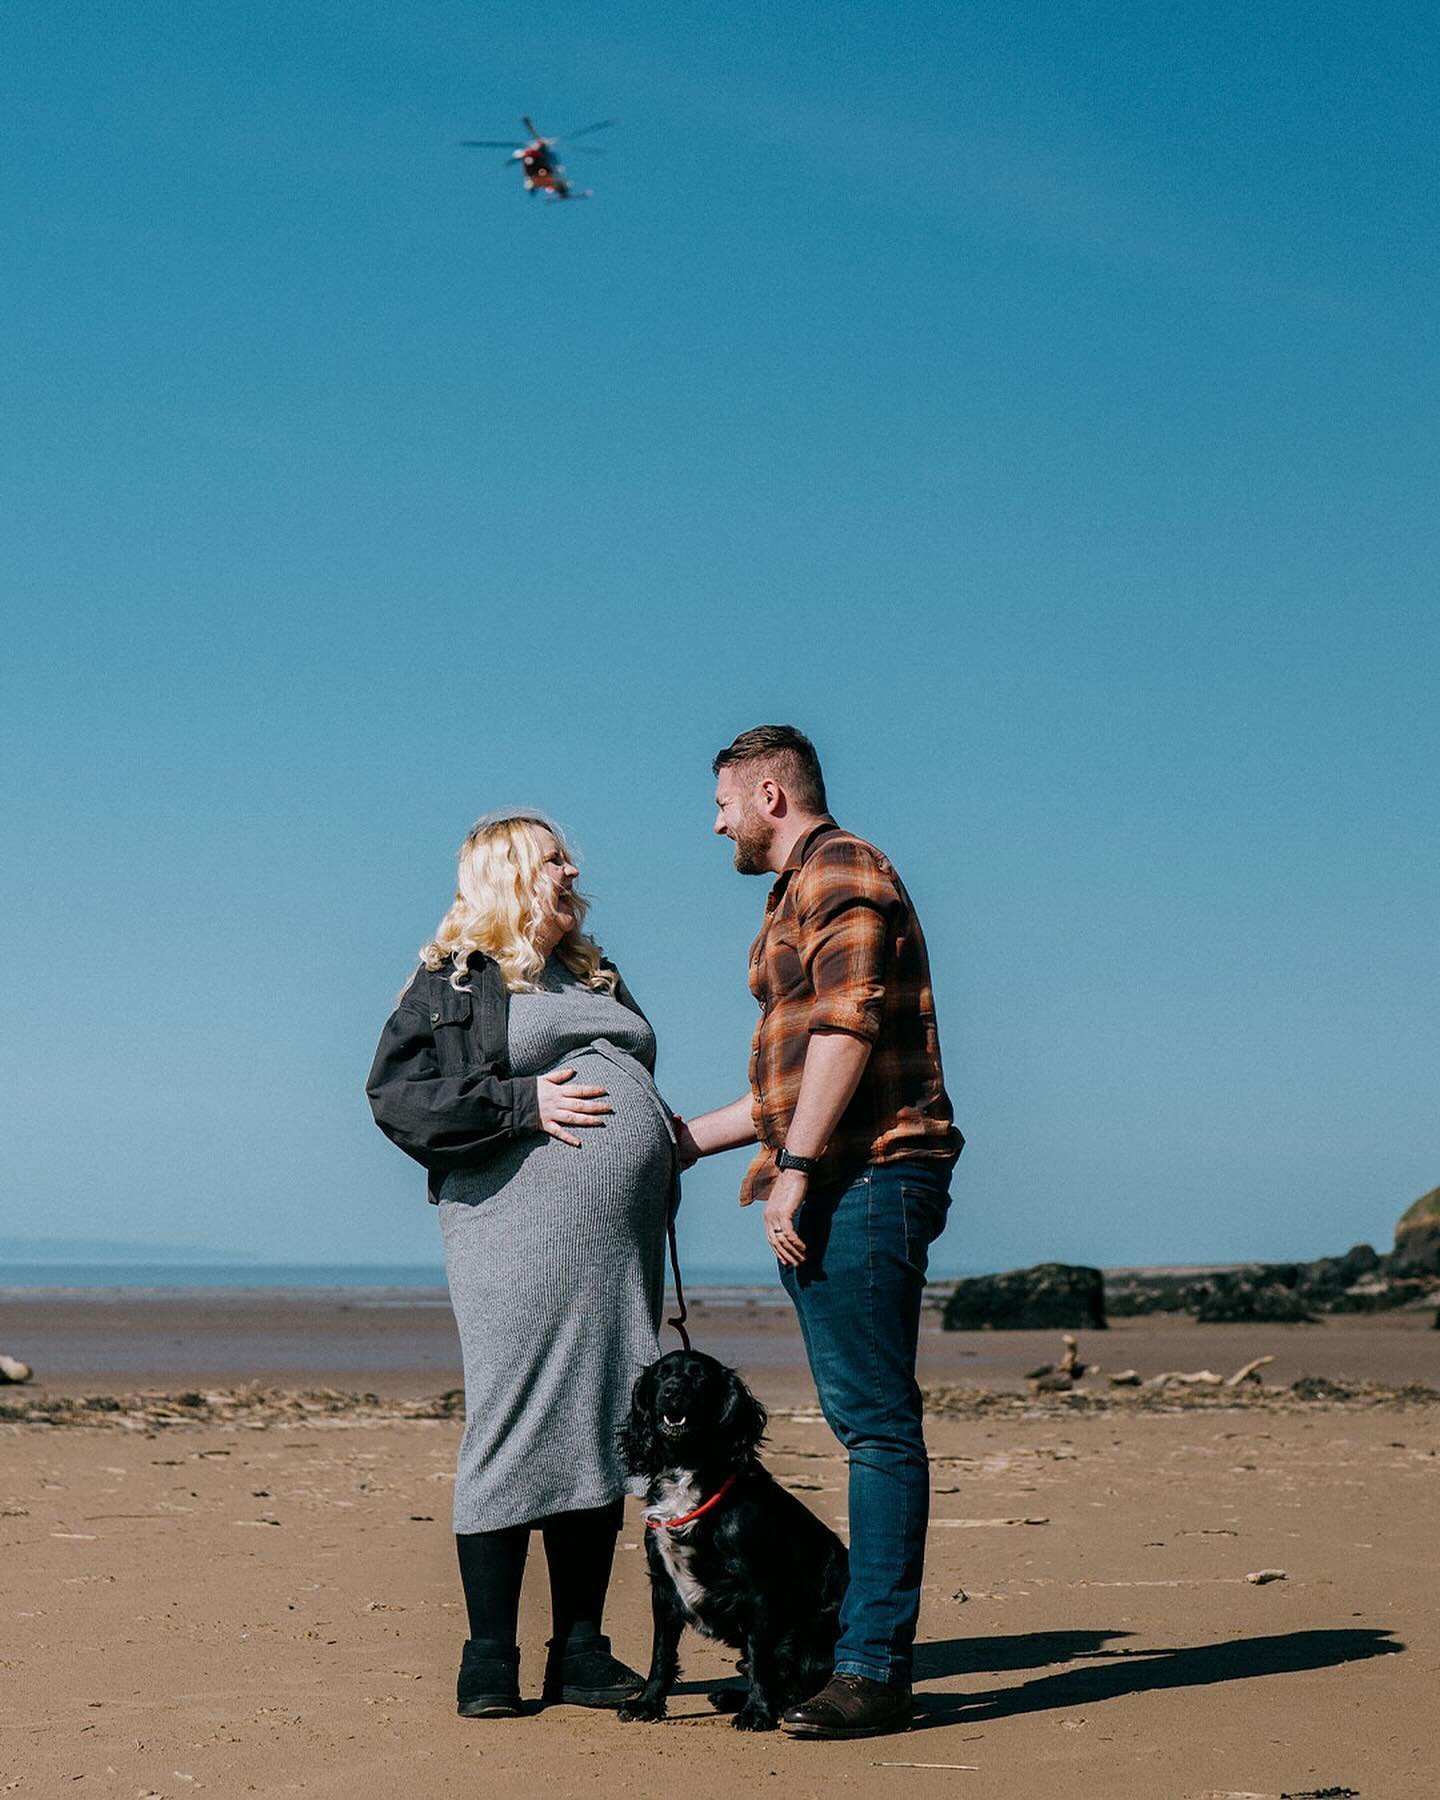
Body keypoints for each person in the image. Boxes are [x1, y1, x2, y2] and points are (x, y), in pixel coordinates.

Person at [677, 727, 962, 1740]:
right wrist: (685, 1142)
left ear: (768, 794)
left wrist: (795, 1174)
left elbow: (849, 1026)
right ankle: (850, 1656)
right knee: (864, 1421)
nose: (713, 824)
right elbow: (792, 1084)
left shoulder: (840, 868)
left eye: (720, 804)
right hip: (837, 1173)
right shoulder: (790, 892)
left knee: (878, 1427)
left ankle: (873, 1671)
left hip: (869, 1177)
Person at [366, 810, 675, 1719]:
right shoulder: (453, 980)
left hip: (617, 1246)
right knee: (513, 1418)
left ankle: (581, 1649)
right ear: (506, 873)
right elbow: (400, 1100)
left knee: (602, 1419)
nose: (574, 868)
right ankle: (487, 1655)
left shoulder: (597, 974)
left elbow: (627, 1084)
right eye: (553, 857)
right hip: (511, 1231)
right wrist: (522, 1100)